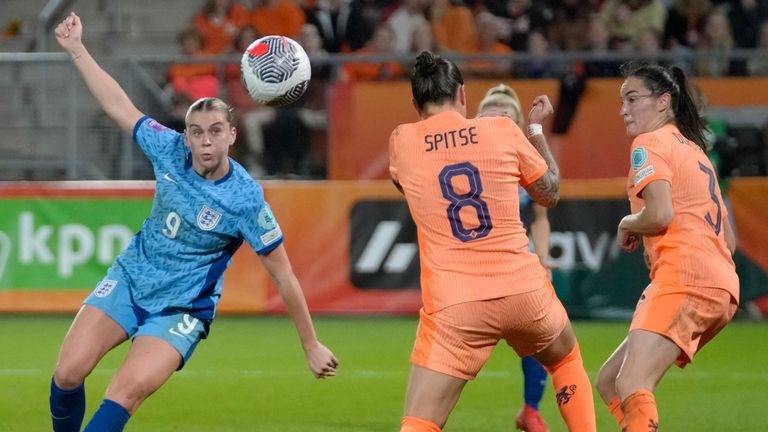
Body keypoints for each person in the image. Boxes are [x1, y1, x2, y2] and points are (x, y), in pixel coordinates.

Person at [50, 12, 338, 432]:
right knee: (67, 374)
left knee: (123, 394)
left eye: (216, 131)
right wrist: (77, 48)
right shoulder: (168, 150)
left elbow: (285, 276)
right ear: (184, 136)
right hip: (131, 280)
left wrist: (310, 344)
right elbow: (118, 105)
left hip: (181, 309)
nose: (206, 141)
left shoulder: (245, 199)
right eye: (197, 132)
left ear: (232, 136)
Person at [389, 50, 596, 432]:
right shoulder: (502, 130)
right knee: (565, 360)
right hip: (523, 290)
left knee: (419, 421)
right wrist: (533, 131)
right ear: (463, 94)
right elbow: (549, 193)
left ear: (415, 103)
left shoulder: (402, 141)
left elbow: (408, 185)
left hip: (457, 303)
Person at [595, 61, 739, 431]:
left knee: (631, 382)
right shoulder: (693, 149)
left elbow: (659, 214)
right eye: (621, 100)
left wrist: (628, 223)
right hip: (719, 284)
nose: (622, 109)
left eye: (631, 98)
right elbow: (731, 240)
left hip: (685, 277)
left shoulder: (649, 143)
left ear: (663, 102)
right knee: (610, 380)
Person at [477, 84, 554, 432]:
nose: (497, 117)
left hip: (514, 261)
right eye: (490, 111)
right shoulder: (463, 154)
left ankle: (531, 410)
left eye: (505, 113)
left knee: (539, 339)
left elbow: (540, 218)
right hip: (469, 264)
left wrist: (543, 259)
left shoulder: (526, 157)